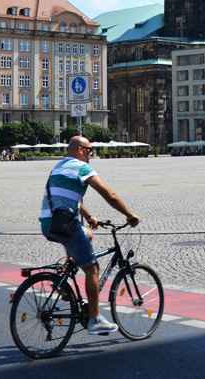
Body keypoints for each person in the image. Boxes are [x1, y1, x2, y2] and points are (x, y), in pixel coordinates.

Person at [40, 135, 139, 336]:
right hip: (66, 225)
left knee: (88, 236)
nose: (91, 153)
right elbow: (109, 195)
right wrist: (129, 214)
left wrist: (89, 216)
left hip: (48, 223)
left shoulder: (59, 166)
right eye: (89, 149)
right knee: (92, 268)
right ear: (79, 150)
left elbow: (72, 198)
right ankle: (95, 320)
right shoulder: (82, 168)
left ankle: (63, 279)